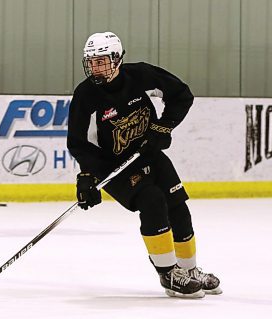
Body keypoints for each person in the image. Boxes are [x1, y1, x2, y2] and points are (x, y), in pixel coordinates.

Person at [67, 31, 221, 298]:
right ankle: (168, 273)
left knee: (178, 205)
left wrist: (163, 127)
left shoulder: (141, 76)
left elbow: (182, 95)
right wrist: (87, 176)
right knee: (151, 200)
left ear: (116, 59)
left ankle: (189, 270)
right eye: (91, 62)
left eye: (101, 61)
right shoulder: (86, 95)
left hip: (148, 154)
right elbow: (80, 142)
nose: (95, 68)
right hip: (113, 167)